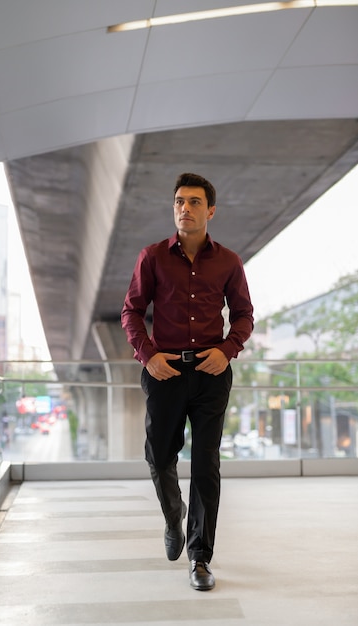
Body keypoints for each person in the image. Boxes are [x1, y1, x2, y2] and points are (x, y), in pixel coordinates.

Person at [121, 172, 254, 591]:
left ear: (210, 210)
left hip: (212, 372)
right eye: (179, 201)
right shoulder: (152, 257)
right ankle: (172, 516)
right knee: (160, 455)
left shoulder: (229, 262)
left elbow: (245, 315)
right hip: (164, 372)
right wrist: (148, 355)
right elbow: (131, 312)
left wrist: (228, 348)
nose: (185, 208)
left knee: (206, 464)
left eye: (195, 202)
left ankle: (200, 558)